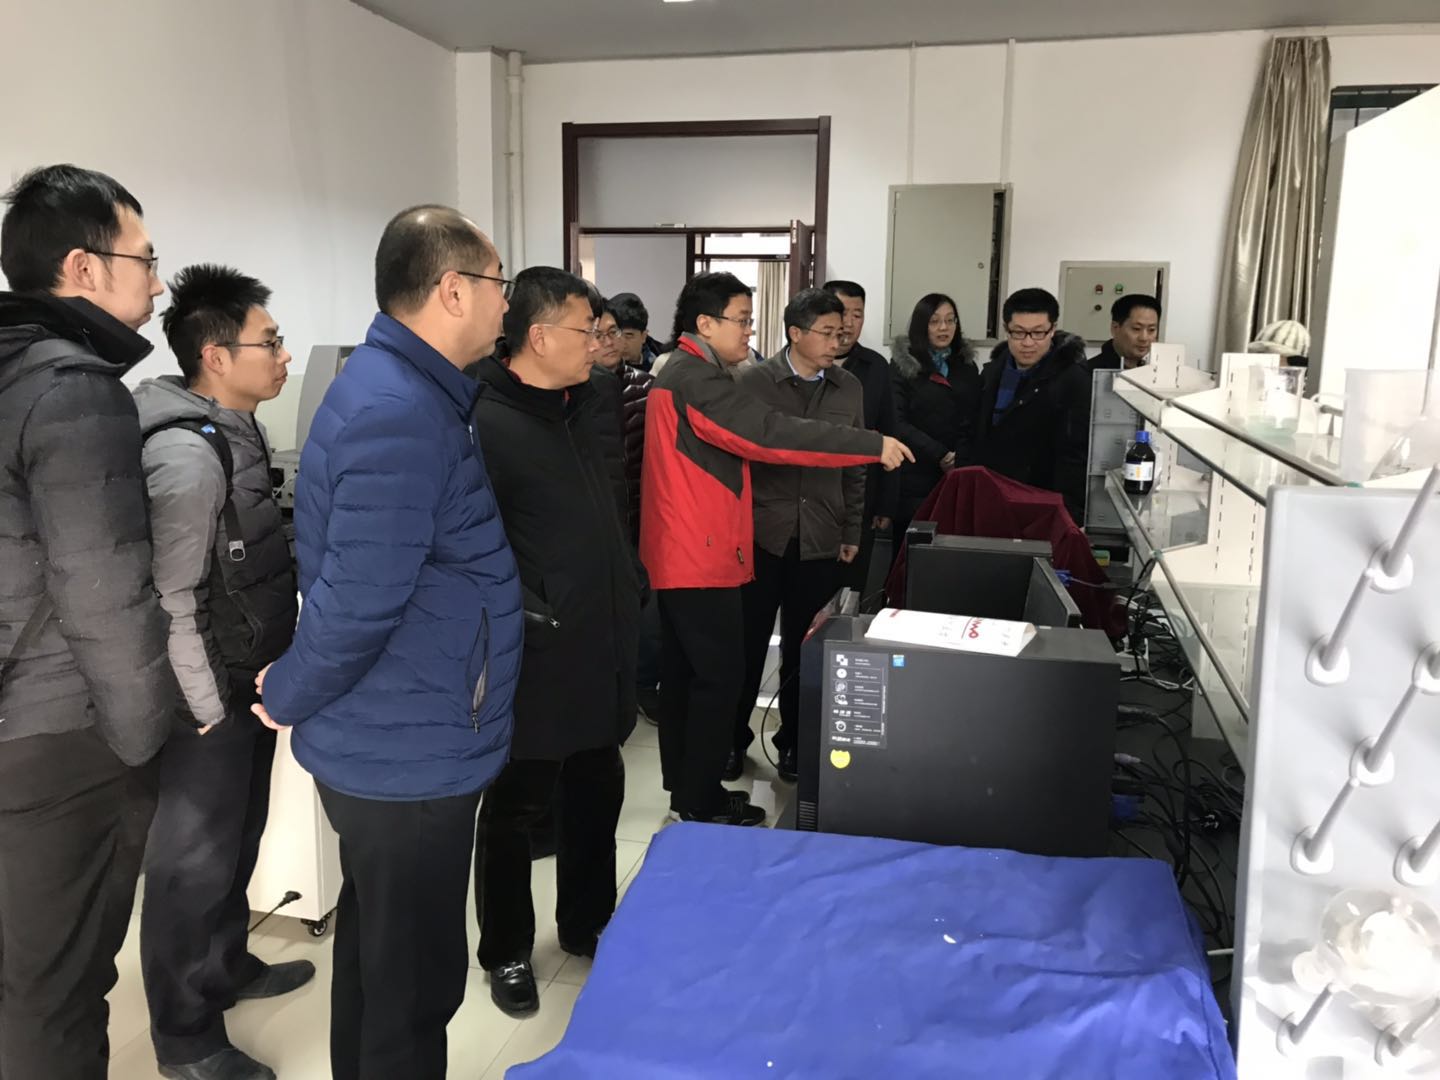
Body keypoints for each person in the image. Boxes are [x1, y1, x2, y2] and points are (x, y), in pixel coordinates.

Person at [251, 205, 522, 1080]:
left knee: (381, 959)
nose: (506, 303)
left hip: (406, 729)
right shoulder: (399, 410)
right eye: (499, 284)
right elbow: (358, 600)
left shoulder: (411, 390)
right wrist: (288, 692)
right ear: (453, 291)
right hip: (407, 749)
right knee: (413, 986)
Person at [0, 164, 177, 1080]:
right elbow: (103, 590)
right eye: (145, 259)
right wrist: (142, 743)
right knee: (58, 991)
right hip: (60, 739)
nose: (158, 282)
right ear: (83, 268)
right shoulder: (73, 386)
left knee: (20, 973)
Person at [641, 272, 912, 825]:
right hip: (698, 553)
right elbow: (769, 434)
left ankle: (688, 793)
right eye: (742, 320)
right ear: (705, 323)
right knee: (716, 678)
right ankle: (701, 801)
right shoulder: (698, 379)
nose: (749, 331)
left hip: (694, 547)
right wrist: (870, 443)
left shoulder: (691, 372)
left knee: (693, 676)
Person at [132, 265, 310, 1080]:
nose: (283, 355)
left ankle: (227, 965)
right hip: (205, 697)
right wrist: (206, 709)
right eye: (269, 342)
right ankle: (186, 1038)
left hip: (247, 679)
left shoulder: (235, 430)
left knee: (238, 842)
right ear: (215, 355)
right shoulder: (187, 453)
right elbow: (171, 596)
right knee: (190, 868)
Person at [470, 268, 643, 1020]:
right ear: (538, 337)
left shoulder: (585, 403)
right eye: (587, 331)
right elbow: (471, 548)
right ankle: (506, 948)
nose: (600, 344)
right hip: (534, 650)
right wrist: (532, 611)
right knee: (517, 807)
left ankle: (589, 922)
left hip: (602, 635)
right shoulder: (484, 420)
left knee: (597, 789)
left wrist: (628, 581)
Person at [731, 289, 866, 784]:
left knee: (805, 648)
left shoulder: (848, 388)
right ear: (795, 333)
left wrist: (851, 526)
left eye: (841, 332)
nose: (837, 341)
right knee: (746, 645)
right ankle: (732, 740)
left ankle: (793, 743)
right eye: (827, 333)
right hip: (761, 534)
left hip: (822, 534)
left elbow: (856, 461)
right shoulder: (752, 382)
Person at [973, 287, 1092, 523]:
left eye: (1038, 333)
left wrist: (1068, 514)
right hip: (993, 494)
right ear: (1006, 329)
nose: (1028, 343)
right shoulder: (992, 372)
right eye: (1018, 332)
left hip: (1042, 503)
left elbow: (1075, 455)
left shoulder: (1073, 380)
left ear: (1052, 330)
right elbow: (976, 433)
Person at [596, 297, 661, 720]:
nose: (609, 342)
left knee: (645, 607)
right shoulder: (573, 390)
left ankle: (642, 683)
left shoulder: (645, 388)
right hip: (599, 521)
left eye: (614, 333)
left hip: (642, 514)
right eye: (599, 334)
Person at [889, 292, 982, 547]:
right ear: (922, 325)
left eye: (950, 320)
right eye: (935, 321)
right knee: (911, 552)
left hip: (958, 473)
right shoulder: (903, 367)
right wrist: (940, 454)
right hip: (915, 474)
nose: (944, 328)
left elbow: (974, 417)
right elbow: (896, 421)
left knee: (952, 552)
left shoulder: (966, 366)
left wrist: (960, 457)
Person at [824, 280, 899, 592]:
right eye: (843, 313)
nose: (849, 323)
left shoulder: (876, 366)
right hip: (813, 497)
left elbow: (890, 431)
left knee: (851, 589)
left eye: (858, 315)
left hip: (861, 496)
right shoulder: (804, 363)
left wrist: (886, 503)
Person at [1090, 294, 1161, 371]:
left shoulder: (1157, 371)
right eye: (1136, 329)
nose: (1144, 338)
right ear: (1115, 328)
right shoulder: (1089, 373)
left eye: (1151, 330)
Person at [610, 291, 664, 371]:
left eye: (628, 335)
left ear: (643, 336)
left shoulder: (663, 363)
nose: (621, 344)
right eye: (614, 334)